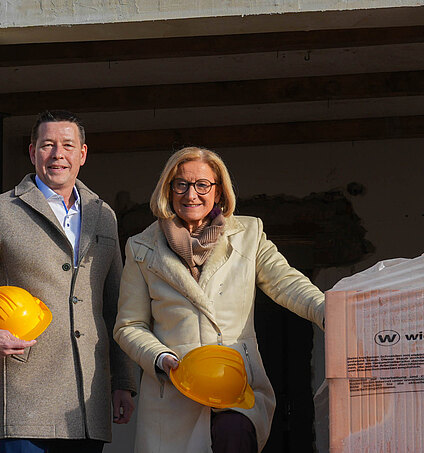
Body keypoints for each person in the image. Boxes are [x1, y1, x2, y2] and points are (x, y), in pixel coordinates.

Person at [0, 110, 139, 453]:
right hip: (25, 401)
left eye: (67, 145)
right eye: (47, 145)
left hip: (88, 404)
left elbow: (114, 304)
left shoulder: (104, 215)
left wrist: (123, 380)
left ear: (82, 154)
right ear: (33, 152)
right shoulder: (0, 212)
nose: (58, 154)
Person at [113, 146, 325, 453]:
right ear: (168, 190)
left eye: (202, 185)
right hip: (174, 389)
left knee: (233, 431)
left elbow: (285, 282)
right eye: (181, 184)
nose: (191, 195)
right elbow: (129, 325)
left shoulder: (248, 234)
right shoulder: (141, 247)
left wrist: (326, 311)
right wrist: (161, 358)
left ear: (219, 192)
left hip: (234, 382)